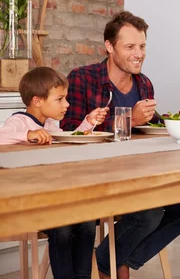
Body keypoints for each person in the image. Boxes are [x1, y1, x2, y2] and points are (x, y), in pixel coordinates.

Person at [60, 11, 180, 279]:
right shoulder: (82, 78)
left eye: (142, 46)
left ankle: (110, 260)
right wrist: (128, 119)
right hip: (95, 177)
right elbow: (69, 130)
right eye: (129, 47)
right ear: (109, 47)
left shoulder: (144, 83)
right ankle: (114, 263)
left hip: (138, 175)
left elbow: (154, 127)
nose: (138, 53)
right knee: (148, 213)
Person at [0, 66, 107, 279]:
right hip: (27, 203)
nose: (66, 104)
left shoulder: (50, 124)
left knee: (87, 221)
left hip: (52, 198)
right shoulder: (19, 122)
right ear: (37, 100)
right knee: (63, 227)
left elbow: (67, 138)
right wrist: (28, 134)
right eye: (60, 99)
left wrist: (88, 122)